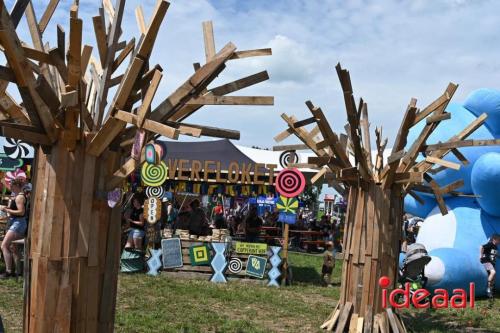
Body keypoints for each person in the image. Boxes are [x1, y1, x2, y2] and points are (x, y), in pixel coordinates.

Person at [0, 178, 27, 278]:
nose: (10, 187)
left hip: (18, 223)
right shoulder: (16, 196)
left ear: (17, 186)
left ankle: (8, 271)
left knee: (4, 245)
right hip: (16, 222)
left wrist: (7, 209)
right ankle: (17, 272)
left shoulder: (19, 197)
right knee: (13, 247)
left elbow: (21, 212)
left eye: (11, 185)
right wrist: (6, 214)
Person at [480, 234, 500, 298]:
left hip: (492, 263)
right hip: (486, 261)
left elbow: (495, 254)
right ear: (494, 239)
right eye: (499, 240)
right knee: (493, 272)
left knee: (493, 277)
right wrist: (480, 256)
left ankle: (491, 290)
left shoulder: (495, 247)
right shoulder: (490, 244)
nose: (499, 242)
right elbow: (482, 247)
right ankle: (488, 289)